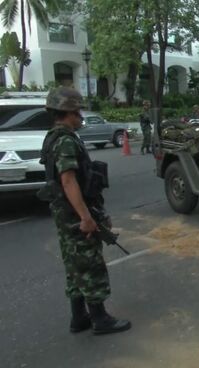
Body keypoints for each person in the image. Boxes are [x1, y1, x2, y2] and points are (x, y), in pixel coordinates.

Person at [38, 87, 131, 335]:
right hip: (75, 214)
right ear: (68, 112)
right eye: (78, 111)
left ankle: (79, 317)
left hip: (64, 213)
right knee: (90, 264)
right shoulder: (66, 141)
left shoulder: (53, 138)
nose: (80, 116)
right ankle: (100, 319)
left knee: (75, 265)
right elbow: (68, 180)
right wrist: (86, 217)